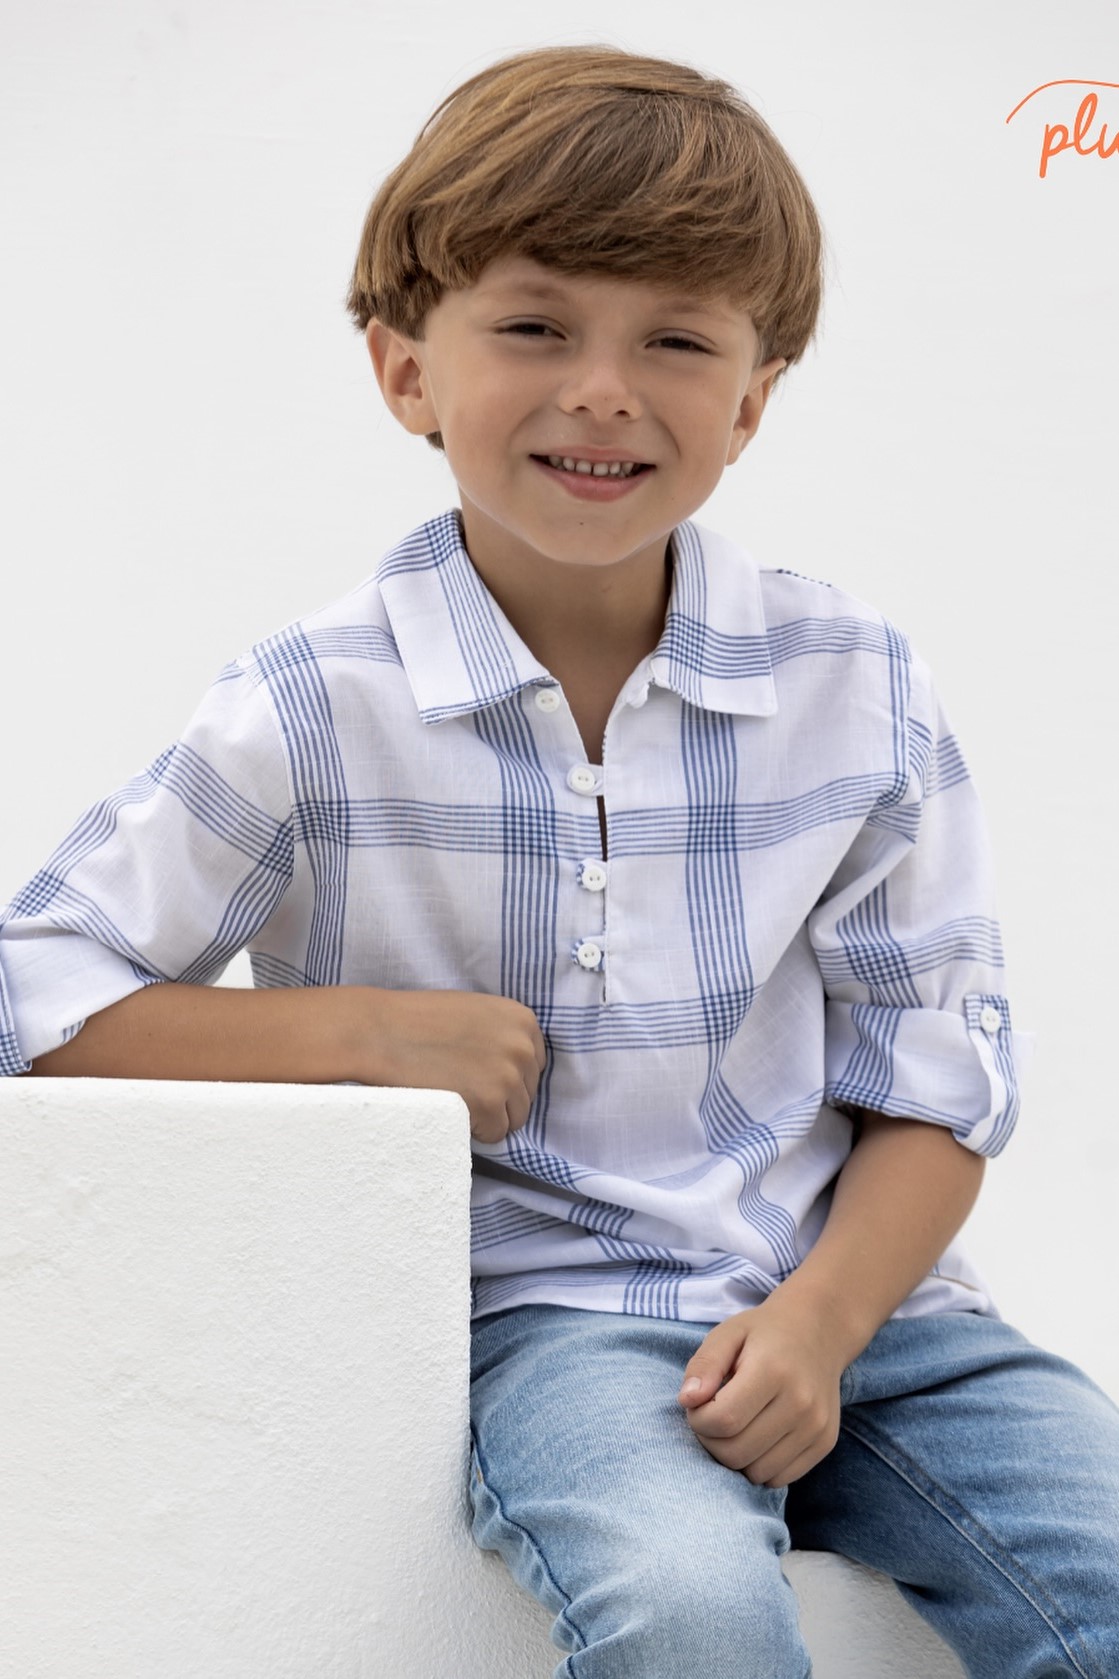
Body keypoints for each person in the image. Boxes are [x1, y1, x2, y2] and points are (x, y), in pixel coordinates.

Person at [2, 43, 1116, 1678]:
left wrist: (818, 1328)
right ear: (406, 371)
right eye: (535, 328)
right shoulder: (311, 705)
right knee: (689, 1613)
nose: (604, 389)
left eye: (677, 340)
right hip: (554, 1331)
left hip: (878, 1316)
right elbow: (34, 987)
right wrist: (362, 1036)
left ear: (751, 399)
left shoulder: (858, 686)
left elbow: (941, 1082)